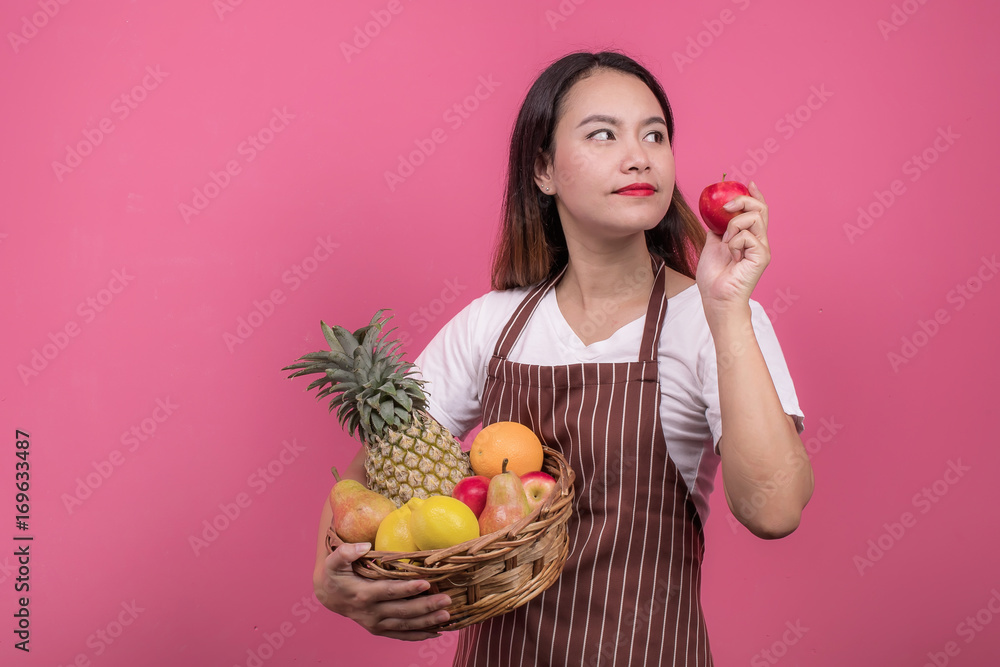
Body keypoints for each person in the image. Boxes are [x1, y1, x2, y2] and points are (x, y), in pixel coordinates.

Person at [312, 50, 813, 666]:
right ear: (543, 168)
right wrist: (330, 583)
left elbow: (774, 509)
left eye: (654, 134)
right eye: (603, 133)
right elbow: (373, 473)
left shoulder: (714, 319)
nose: (639, 155)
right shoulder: (490, 325)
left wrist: (728, 310)